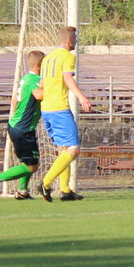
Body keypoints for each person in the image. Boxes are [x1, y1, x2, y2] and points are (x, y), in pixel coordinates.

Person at [37, 26, 95, 201]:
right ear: (70, 41)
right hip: (59, 108)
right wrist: (82, 97)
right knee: (73, 149)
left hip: (46, 108)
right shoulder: (68, 57)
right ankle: (45, 183)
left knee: (64, 148)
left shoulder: (47, 59)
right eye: (75, 39)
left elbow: (41, 84)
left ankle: (65, 190)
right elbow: (67, 77)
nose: (76, 42)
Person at [0, 50, 44, 199]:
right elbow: (39, 95)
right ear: (39, 65)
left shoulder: (26, 78)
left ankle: (23, 191)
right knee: (32, 166)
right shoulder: (34, 80)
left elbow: (15, 101)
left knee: (27, 161)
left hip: (18, 125)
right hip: (22, 128)